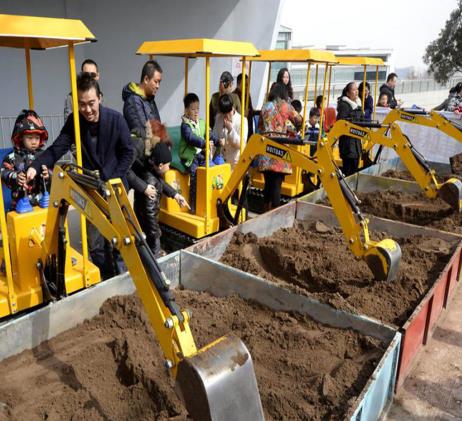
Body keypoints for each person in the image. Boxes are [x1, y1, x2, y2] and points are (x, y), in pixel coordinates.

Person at [26, 73, 134, 280]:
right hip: (91, 189)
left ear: (100, 98)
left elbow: (128, 153)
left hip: (115, 186)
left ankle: (123, 278)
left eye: (91, 103)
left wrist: (112, 179)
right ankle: (105, 278)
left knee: (121, 239)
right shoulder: (74, 121)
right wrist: (35, 166)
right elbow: (57, 148)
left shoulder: (116, 120)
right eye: (82, 104)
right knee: (95, 241)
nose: (87, 110)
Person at [132, 137, 189, 257]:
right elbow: (150, 212)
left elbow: (160, 182)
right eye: (168, 164)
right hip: (149, 229)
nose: (169, 167)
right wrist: (155, 234)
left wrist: (175, 195)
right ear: (161, 165)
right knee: (154, 252)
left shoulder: (150, 169)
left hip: (144, 224)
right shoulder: (151, 182)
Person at [256, 82, 302, 210]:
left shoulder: (265, 106)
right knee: (277, 186)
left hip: (266, 149)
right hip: (280, 150)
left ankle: (265, 210)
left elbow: (260, 127)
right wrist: (290, 128)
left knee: (268, 184)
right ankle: (275, 213)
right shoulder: (286, 106)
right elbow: (299, 120)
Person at [180, 93, 224, 213]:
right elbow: (190, 138)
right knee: (194, 177)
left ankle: (209, 201)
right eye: (193, 109)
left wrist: (218, 141)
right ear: (186, 110)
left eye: (198, 109)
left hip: (201, 155)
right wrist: (204, 143)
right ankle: (192, 206)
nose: (196, 112)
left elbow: (209, 134)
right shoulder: (185, 125)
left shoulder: (201, 122)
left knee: (212, 170)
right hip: (190, 157)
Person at [1, 110, 51, 210]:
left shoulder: (44, 155)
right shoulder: (12, 157)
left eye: (37, 138)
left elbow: (54, 172)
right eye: (29, 138)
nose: (34, 142)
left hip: (42, 202)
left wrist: (48, 174)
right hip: (19, 205)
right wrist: (15, 176)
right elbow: (4, 173)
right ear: (20, 138)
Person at [122, 60, 163, 138]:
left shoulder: (150, 100)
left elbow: (159, 128)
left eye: (159, 82)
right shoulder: (133, 101)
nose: (158, 86)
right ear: (146, 79)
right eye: (156, 82)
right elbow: (143, 133)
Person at [213, 93, 248, 169]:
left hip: (236, 163)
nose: (226, 116)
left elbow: (242, 144)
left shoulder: (242, 121)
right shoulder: (219, 118)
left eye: (228, 113)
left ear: (232, 107)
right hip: (222, 162)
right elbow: (214, 136)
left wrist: (230, 130)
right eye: (223, 114)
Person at [337, 81, 364, 176]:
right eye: (354, 90)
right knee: (348, 171)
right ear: (348, 93)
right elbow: (341, 123)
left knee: (355, 170)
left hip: (357, 144)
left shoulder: (358, 105)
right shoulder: (344, 105)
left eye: (357, 89)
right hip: (347, 144)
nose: (356, 91)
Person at [234, 73, 255, 139]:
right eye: (245, 85)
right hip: (239, 128)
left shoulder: (248, 95)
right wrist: (242, 114)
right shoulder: (234, 96)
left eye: (248, 85)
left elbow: (251, 110)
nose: (247, 87)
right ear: (238, 84)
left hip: (248, 126)